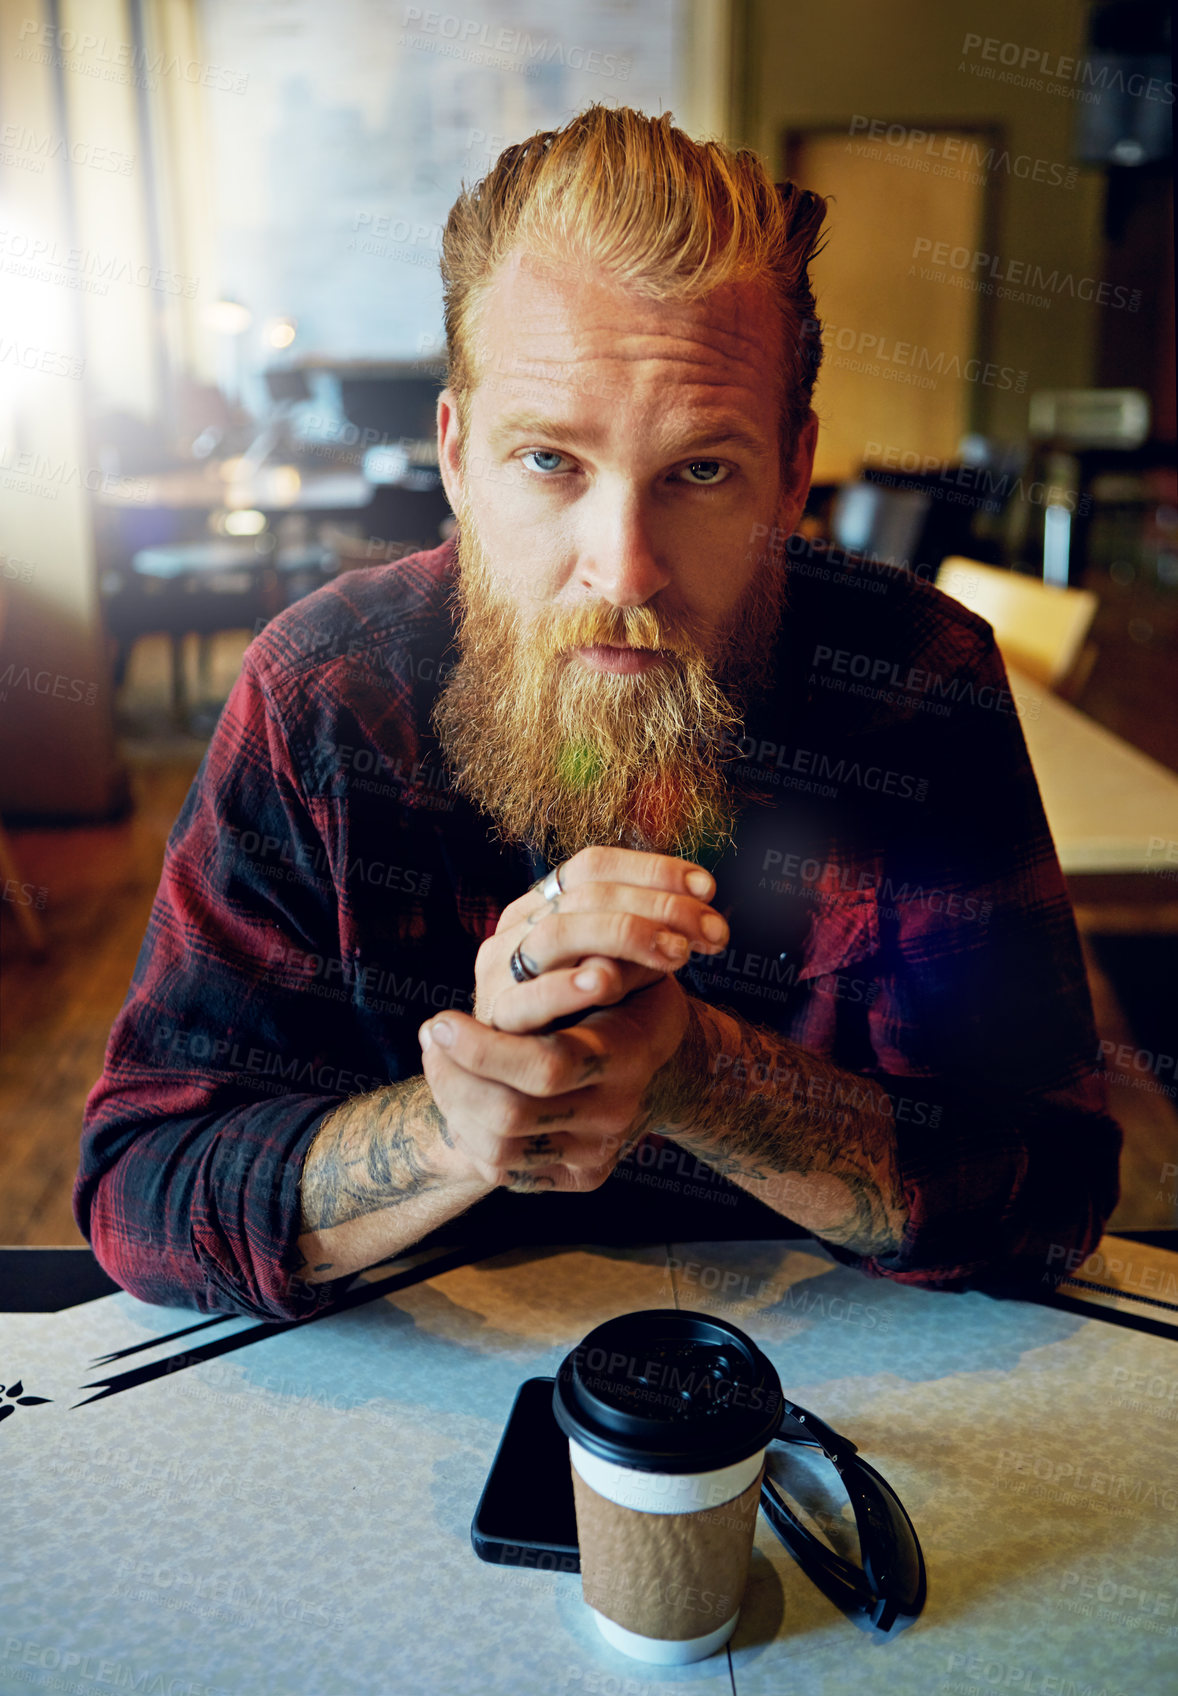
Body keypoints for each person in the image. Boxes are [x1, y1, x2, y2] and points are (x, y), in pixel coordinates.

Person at [78, 106, 1121, 1320]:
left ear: (791, 473)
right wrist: (451, 1127)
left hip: (835, 1394)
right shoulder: (321, 697)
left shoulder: (912, 684)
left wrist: (697, 1076)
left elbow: (1047, 1192)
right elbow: (140, 1186)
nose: (622, 570)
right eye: (548, 463)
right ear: (458, 459)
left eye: (698, 470)